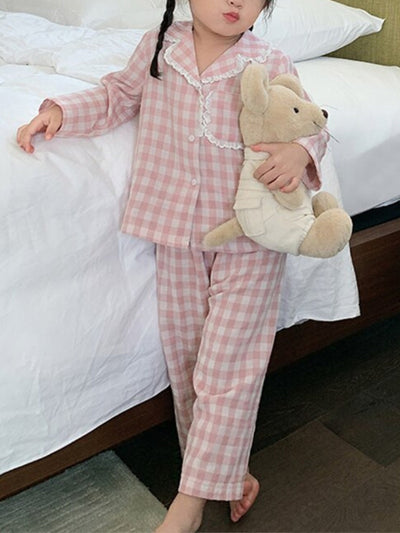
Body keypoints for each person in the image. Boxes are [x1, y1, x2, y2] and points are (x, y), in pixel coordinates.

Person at [17, 1, 328, 531]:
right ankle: (223, 473)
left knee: (228, 365)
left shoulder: (270, 60)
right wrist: (62, 114)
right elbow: (117, 96)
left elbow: (308, 121)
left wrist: (301, 153)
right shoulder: (160, 48)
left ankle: (188, 505)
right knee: (189, 361)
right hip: (175, 227)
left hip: (250, 234)